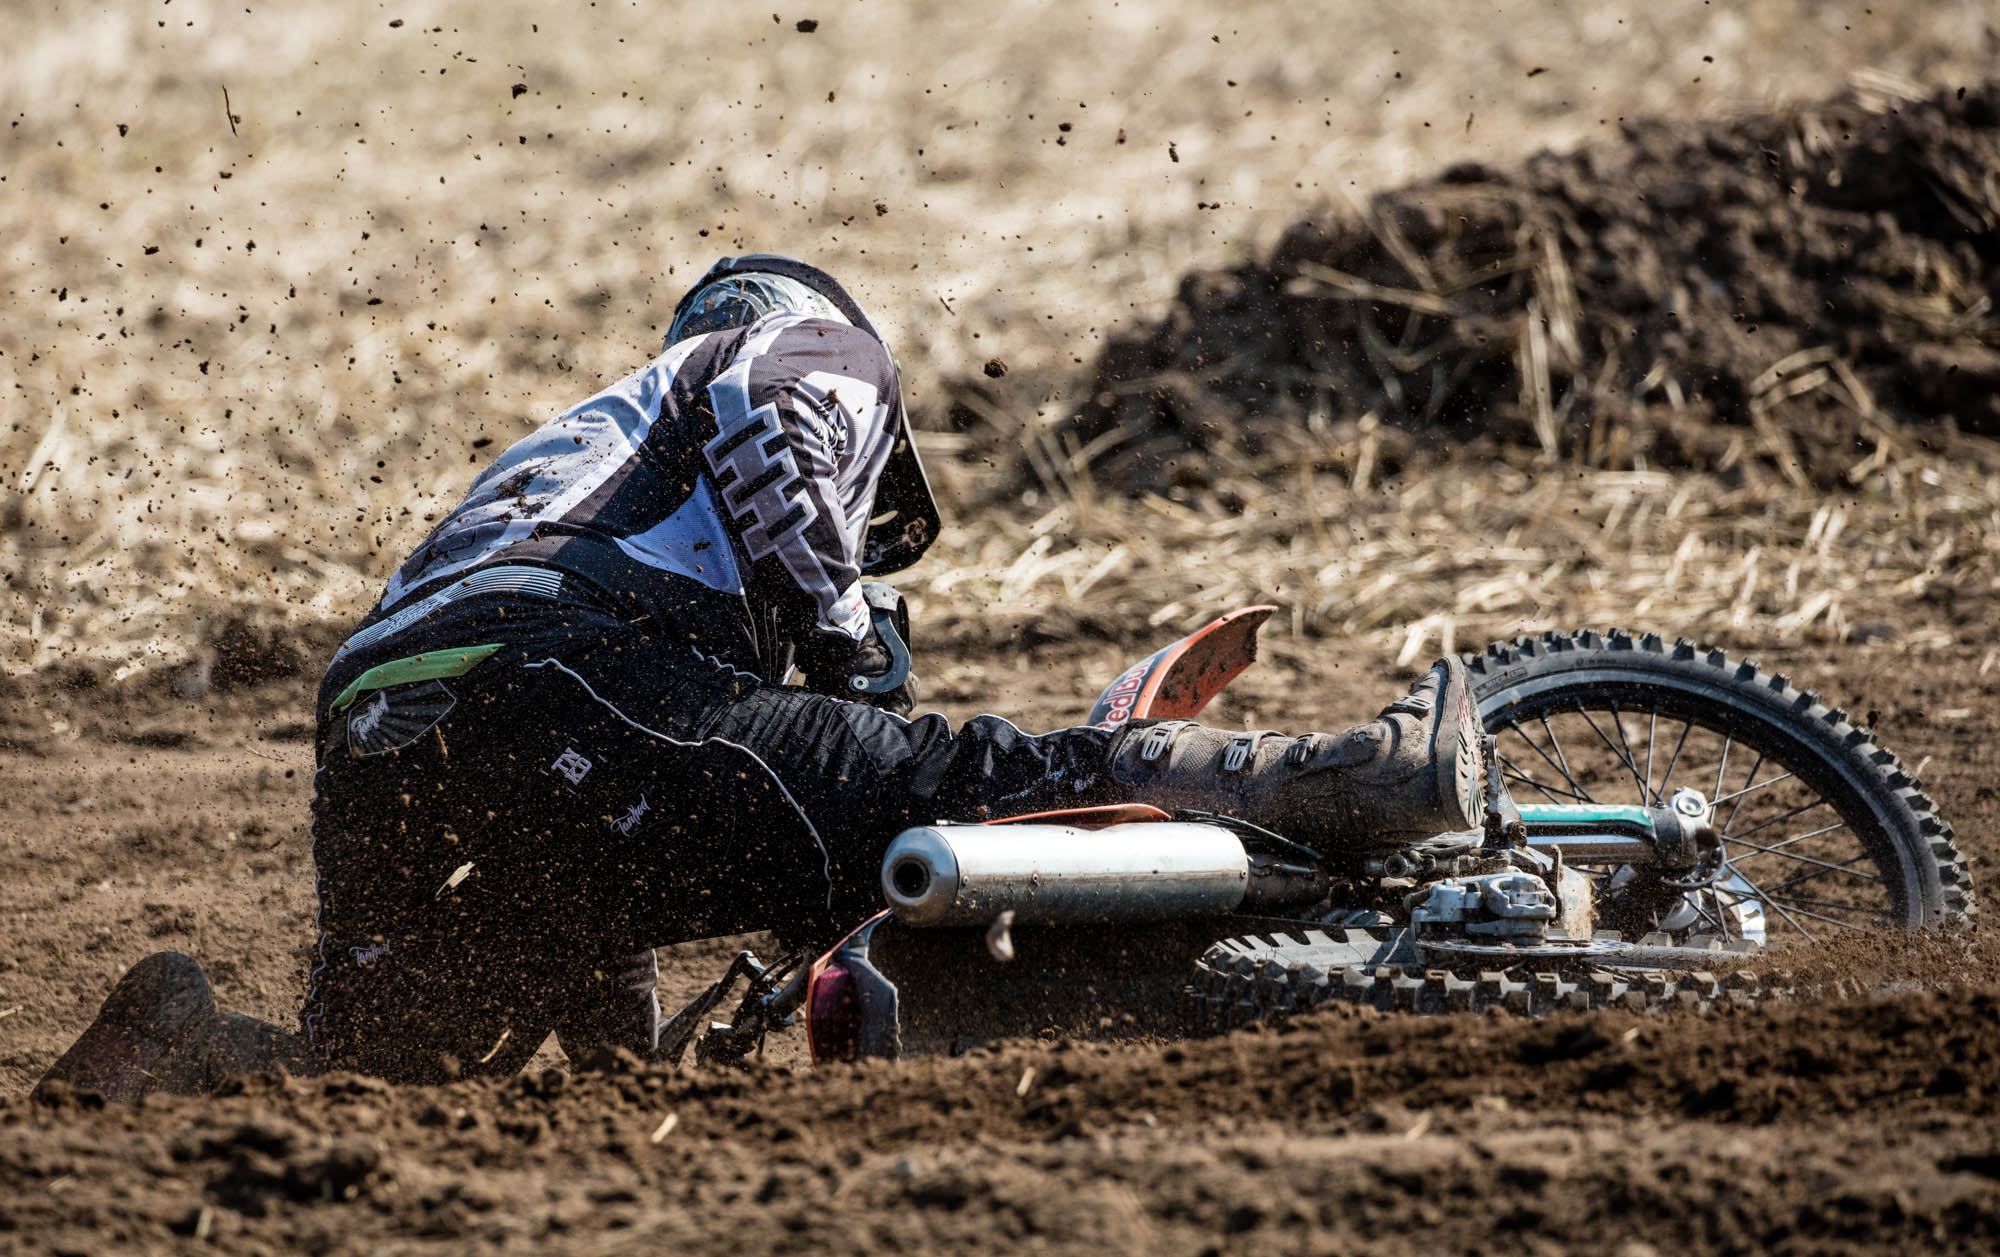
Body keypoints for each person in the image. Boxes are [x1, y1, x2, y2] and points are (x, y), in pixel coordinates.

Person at [37, 255, 1494, 1098]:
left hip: (393, 714)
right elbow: (758, 415)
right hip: (555, 669)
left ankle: (181, 1045)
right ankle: (1357, 775)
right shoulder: (801, 342)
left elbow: (609, 836)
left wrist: (628, 1076)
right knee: (956, 777)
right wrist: (850, 644)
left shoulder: (572, 460)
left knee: (380, 1073)